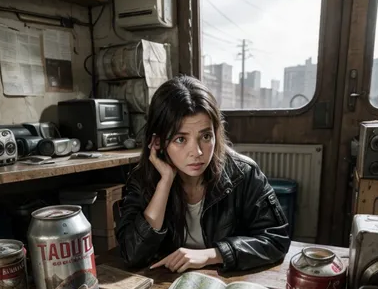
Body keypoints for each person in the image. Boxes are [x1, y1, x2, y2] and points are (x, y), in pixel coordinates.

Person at [116, 75, 290, 273]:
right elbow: (131, 255)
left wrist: (212, 254)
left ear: (216, 133)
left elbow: (277, 240)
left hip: (227, 282)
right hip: (168, 285)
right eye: (181, 139)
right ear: (158, 143)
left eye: (206, 136)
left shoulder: (244, 174)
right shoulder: (142, 180)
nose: (197, 152)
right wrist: (164, 184)